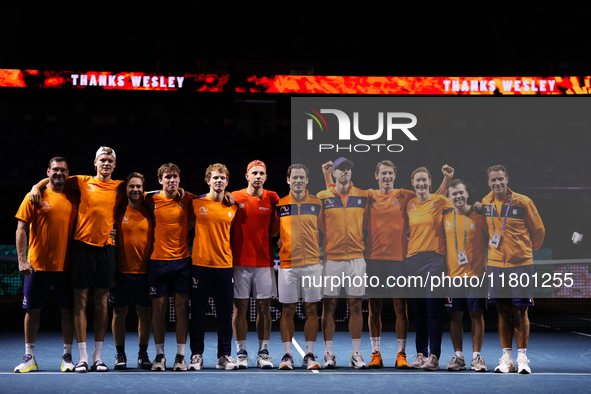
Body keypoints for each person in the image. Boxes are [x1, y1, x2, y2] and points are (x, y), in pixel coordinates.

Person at [322, 160, 451, 369]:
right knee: (375, 308)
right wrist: (328, 175)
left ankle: (401, 354)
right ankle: (375, 353)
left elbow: (431, 199)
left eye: (390, 173)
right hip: (373, 260)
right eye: (383, 174)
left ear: (395, 175)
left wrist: (446, 180)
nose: (387, 177)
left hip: (398, 260)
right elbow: (337, 191)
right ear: (376, 176)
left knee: (401, 308)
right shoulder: (368, 195)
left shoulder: (404, 195)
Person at [29, 146, 124, 372]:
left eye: (110, 160)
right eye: (103, 160)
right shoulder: (80, 181)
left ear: (115, 165)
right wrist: (36, 185)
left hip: (106, 250)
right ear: (95, 162)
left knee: (102, 304)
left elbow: (142, 194)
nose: (106, 163)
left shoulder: (120, 186)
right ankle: (81, 357)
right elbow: (55, 177)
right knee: (79, 303)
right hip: (81, 248)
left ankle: (97, 357)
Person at [14, 157, 77, 373]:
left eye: (63, 170)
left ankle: (67, 357)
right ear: (48, 171)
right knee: (32, 311)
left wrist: (37, 182)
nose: (59, 173)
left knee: (68, 312)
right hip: (37, 266)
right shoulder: (34, 196)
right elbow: (21, 228)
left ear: (68, 174)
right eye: (55, 170)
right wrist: (22, 259)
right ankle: (29, 356)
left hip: (66, 267)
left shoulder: (74, 196)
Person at [482, 165, 545, 374]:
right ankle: (506, 358)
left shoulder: (523, 201)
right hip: (495, 265)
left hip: (521, 266)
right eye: (493, 180)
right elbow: (485, 230)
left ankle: (522, 359)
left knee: (520, 311)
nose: (497, 183)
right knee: (502, 312)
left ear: (507, 179)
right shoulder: (485, 202)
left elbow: (539, 231)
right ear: (488, 182)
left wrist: (524, 251)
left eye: (500, 179)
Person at [317, 157, 369, 369]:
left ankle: (356, 354)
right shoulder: (323, 197)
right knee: (328, 306)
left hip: (357, 258)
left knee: (356, 306)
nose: (345, 172)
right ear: (334, 174)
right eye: (341, 169)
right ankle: (328, 354)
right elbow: (318, 225)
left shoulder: (362, 195)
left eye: (348, 169)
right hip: (332, 259)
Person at [188, 164, 239, 371]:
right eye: (215, 178)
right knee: (198, 313)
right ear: (207, 180)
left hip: (225, 265)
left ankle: (224, 355)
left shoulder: (233, 206)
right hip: (199, 265)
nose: (219, 181)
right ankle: (196, 355)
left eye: (223, 178)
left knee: (225, 313)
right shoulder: (195, 203)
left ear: (227, 182)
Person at [144, 163, 194, 371]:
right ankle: (159, 356)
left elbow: (207, 203)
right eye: (167, 177)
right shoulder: (150, 198)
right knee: (158, 309)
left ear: (179, 179)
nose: (171, 180)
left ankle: (180, 356)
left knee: (182, 309)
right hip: (158, 262)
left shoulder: (188, 198)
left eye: (175, 177)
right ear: (160, 180)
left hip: (182, 261)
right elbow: (130, 193)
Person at [231, 160, 280, 369]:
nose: (258, 176)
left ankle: (263, 353)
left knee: (264, 309)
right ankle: (241, 352)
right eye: (254, 173)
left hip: (264, 262)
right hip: (239, 263)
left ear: (266, 177)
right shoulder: (234, 197)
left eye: (261, 173)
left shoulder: (272, 198)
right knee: (239, 309)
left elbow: (275, 231)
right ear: (247, 176)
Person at [406, 166, 454, 371]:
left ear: (430, 182)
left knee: (433, 311)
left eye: (424, 180)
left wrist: (448, 178)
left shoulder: (440, 201)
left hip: (435, 260)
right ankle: (421, 354)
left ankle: (433, 357)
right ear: (412, 183)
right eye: (417, 180)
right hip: (413, 260)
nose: (421, 184)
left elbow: (458, 209)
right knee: (417, 313)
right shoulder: (409, 204)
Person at [276, 164, 322, 370]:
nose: (298, 181)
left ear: (307, 180)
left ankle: (309, 355)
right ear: (288, 180)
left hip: (312, 263)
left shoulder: (317, 203)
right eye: (294, 178)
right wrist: (280, 241)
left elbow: (327, 229)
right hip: (287, 264)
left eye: (302, 178)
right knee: (287, 310)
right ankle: (287, 356)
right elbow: (272, 232)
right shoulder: (280, 204)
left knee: (312, 309)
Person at [442, 179, 488, 372]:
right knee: (455, 316)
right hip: (453, 276)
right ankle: (458, 356)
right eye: (454, 194)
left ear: (467, 194)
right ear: (449, 197)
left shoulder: (480, 216)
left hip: (476, 275)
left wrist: (484, 207)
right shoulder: (444, 218)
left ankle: (477, 357)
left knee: (476, 314)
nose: (458, 196)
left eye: (461, 193)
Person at [110, 173, 154, 370]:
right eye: (131, 187)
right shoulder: (117, 212)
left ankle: (142, 354)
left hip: (146, 273)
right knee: (119, 314)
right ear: (126, 189)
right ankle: (120, 355)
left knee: (145, 314)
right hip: (121, 273)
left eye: (139, 187)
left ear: (143, 190)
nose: (135, 190)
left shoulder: (150, 211)